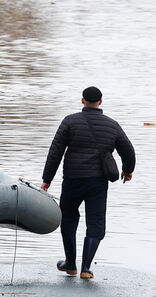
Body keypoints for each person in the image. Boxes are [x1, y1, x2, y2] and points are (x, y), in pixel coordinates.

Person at [42, 86, 136, 280]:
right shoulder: (112, 125)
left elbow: (55, 152)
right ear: (100, 102)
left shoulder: (70, 121)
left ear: (82, 100)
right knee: (96, 222)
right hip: (98, 182)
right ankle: (86, 268)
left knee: (68, 218)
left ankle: (70, 264)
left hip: (72, 180)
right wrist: (127, 170)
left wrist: (47, 179)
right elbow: (128, 151)